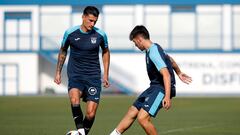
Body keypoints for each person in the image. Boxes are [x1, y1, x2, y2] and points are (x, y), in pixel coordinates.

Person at [110, 25, 192, 135]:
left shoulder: (153, 52)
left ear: (139, 39)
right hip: (154, 87)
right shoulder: (154, 48)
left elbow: (166, 75)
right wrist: (179, 72)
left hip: (162, 88)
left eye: (135, 42)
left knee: (142, 118)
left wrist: (167, 96)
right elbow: (170, 60)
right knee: (132, 111)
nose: (136, 45)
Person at [54, 6, 110, 135]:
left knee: (90, 114)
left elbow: (106, 52)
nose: (92, 24)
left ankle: (80, 133)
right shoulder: (70, 33)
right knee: (74, 99)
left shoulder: (100, 35)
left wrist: (106, 75)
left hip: (93, 77)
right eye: (90, 20)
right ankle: (81, 133)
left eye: (95, 21)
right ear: (83, 17)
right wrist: (58, 72)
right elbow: (63, 51)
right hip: (76, 75)